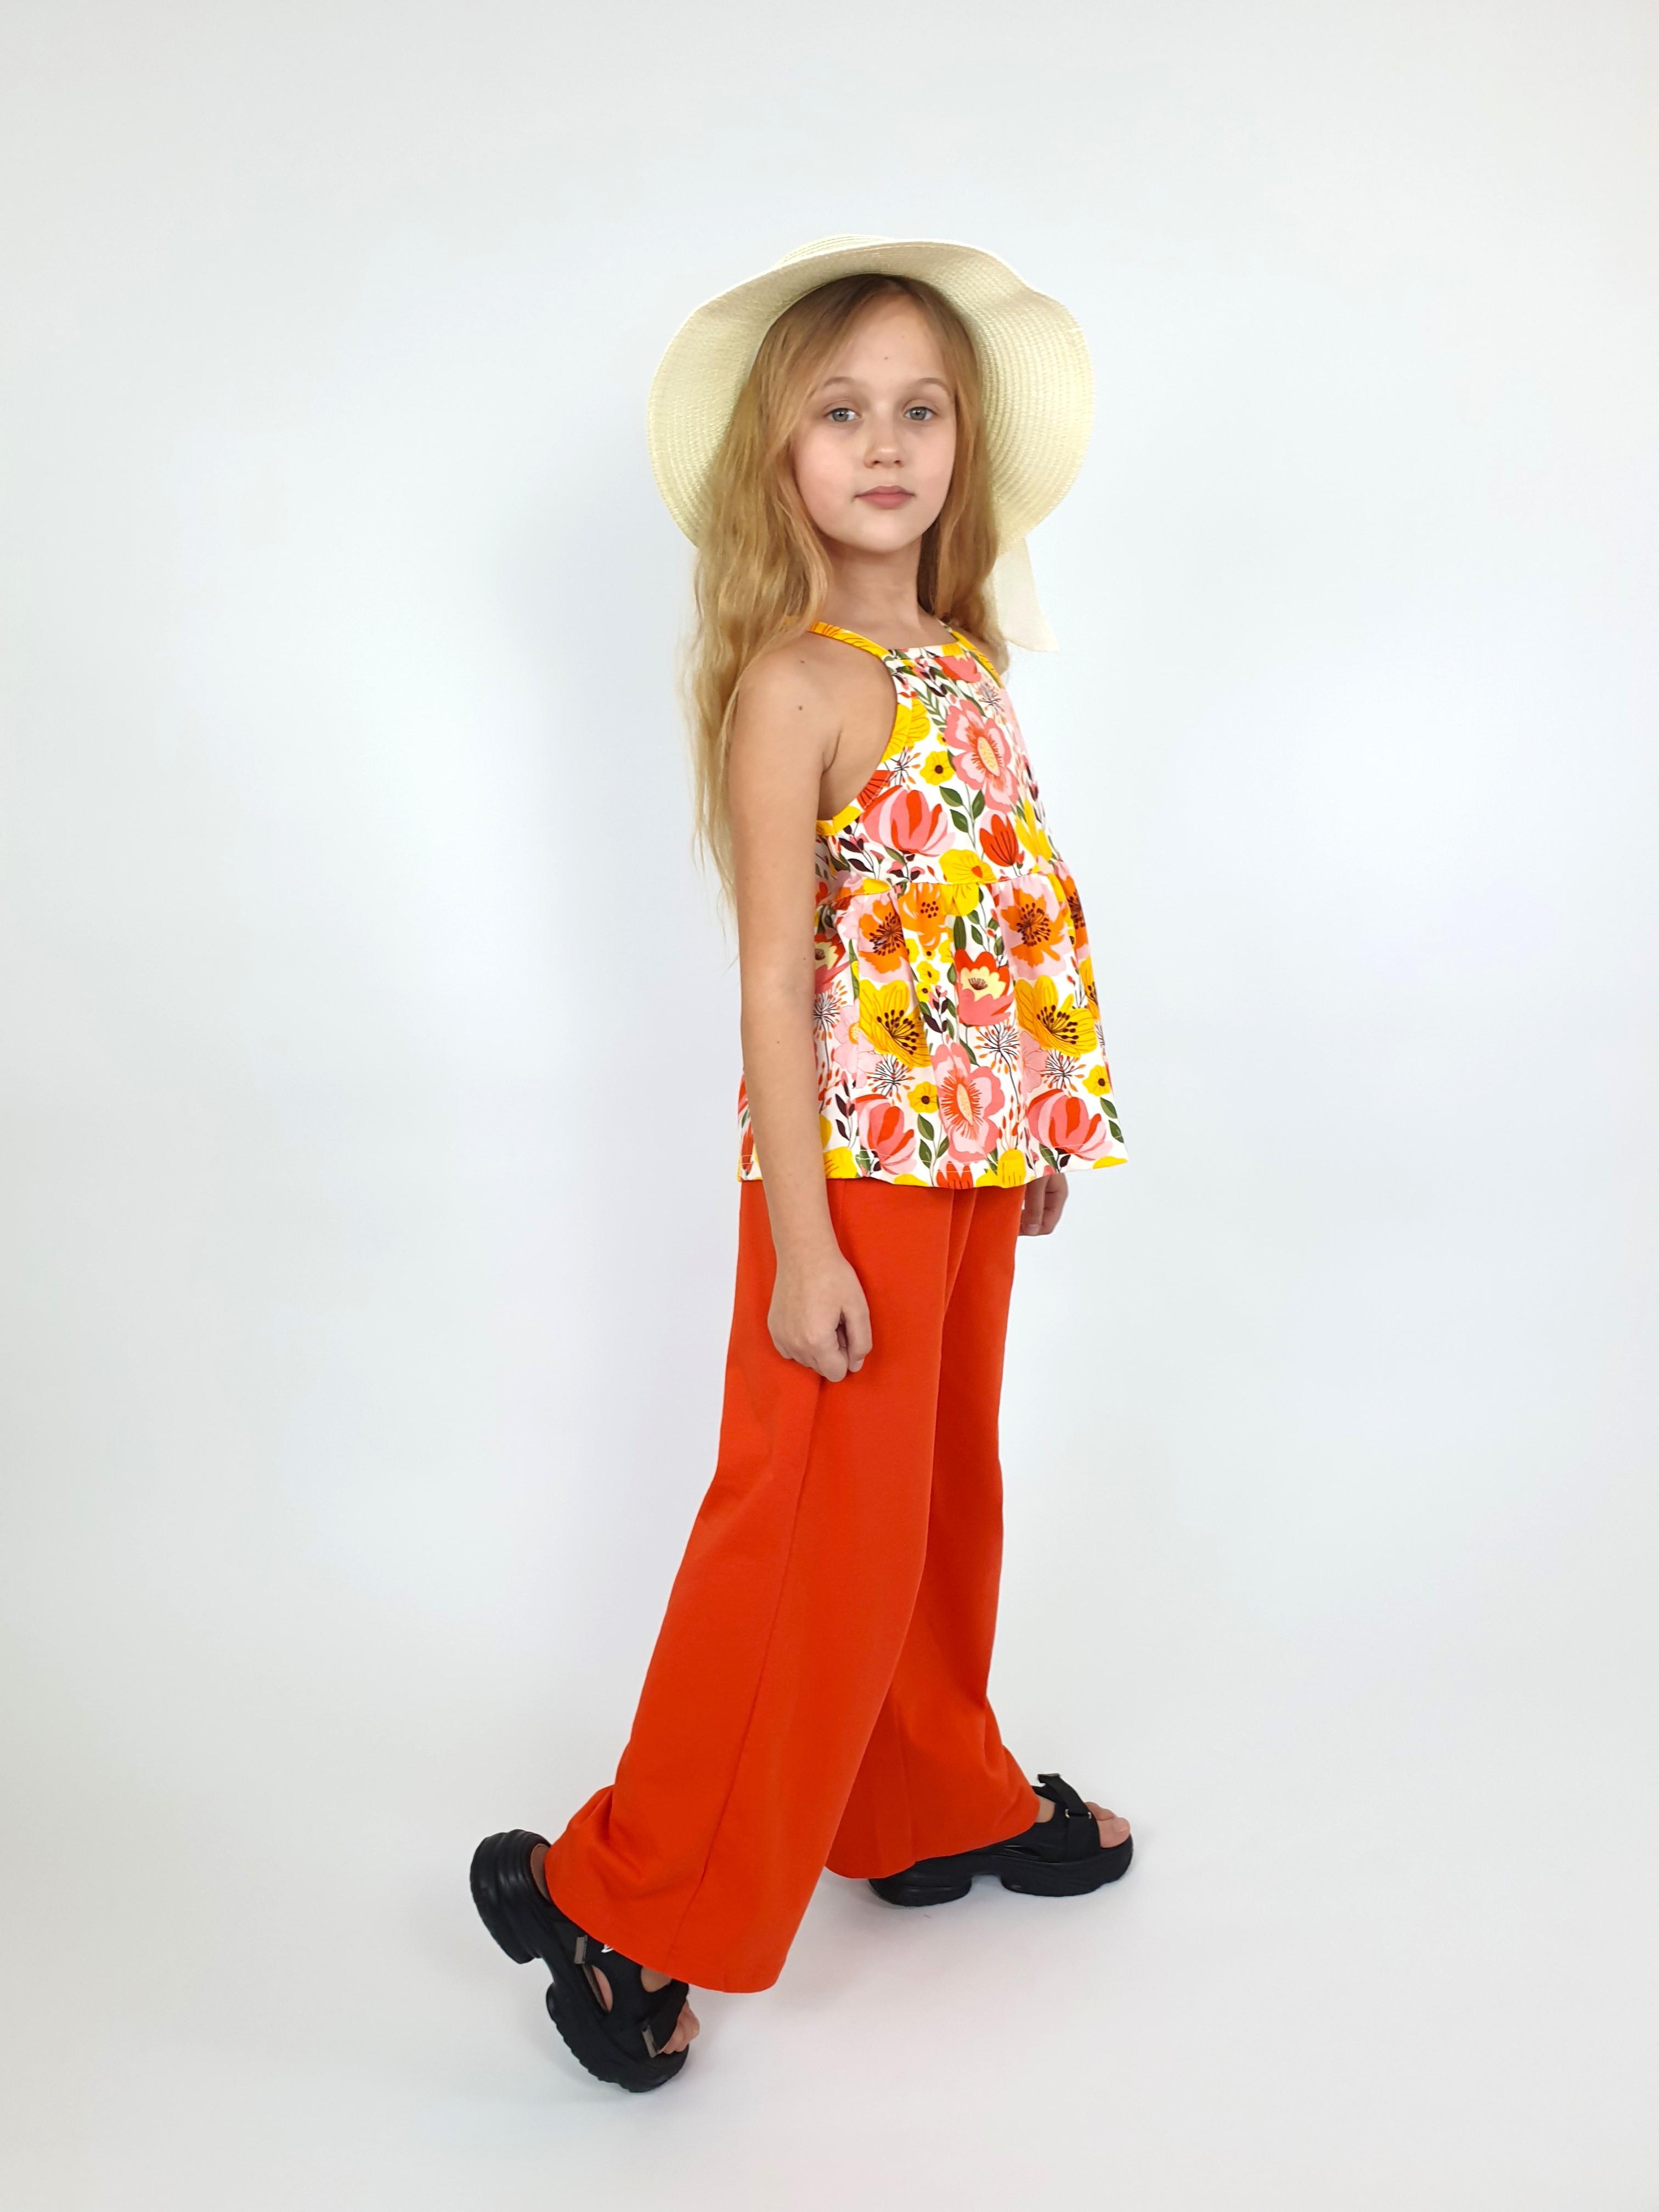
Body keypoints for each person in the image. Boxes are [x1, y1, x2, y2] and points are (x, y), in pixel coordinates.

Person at [470, 235, 1133, 2091]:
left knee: (932, 1507)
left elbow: (985, 918)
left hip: (964, 1169)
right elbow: (778, 979)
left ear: (965, 445)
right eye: (842, 411)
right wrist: (807, 1246)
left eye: (920, 409)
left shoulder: (966, 664)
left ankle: (922, 1795)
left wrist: (1027, 1126)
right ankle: (625, 1897)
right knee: (806, 1543)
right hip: (848, 1194)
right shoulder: (799, 687)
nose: (886, 443)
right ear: (780, 454)